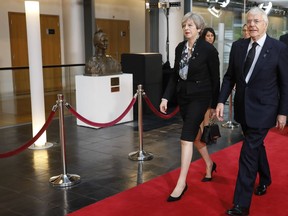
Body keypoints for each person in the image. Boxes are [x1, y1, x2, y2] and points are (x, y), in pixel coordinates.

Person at [216, 7, 288, 216]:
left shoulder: (278, 49)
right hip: (242, 109)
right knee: (256, 146)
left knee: (248, 153)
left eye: (257, 20)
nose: (252, 24)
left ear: (265, 24)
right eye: (249, 21)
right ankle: (265, 178)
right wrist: (221, 101)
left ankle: (241, 205)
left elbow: (285, 84)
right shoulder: (239, 47)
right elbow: (229, 77)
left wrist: (283, 112)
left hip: (265, 110)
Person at [160, 12, 220, 202]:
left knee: (185, 138)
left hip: (201, 98)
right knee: (194, 137)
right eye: (184, 25)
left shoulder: (208, 50)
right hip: (183, 97)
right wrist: (165, 98)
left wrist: (213, 105)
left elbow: (215, 78)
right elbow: (175, 76)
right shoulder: (179, 48)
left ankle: (181, 183)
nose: (186, 28)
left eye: (191, 25)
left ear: (199, 29)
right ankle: (210, 164)